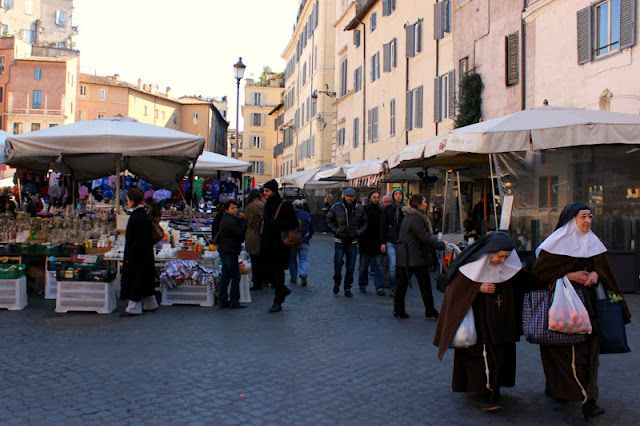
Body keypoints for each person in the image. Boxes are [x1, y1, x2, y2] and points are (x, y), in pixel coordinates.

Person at [534, 202, 631, 419]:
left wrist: (596, 275)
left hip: (590, 305)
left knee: (590, 353)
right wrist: (569, 276)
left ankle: (589, 399)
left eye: (590, 216)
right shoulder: (554, 245)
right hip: (562, 307)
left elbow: (603, 270)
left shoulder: (593, 243)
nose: (588, 221)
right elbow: (540, 275)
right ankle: (562, 389)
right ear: (571, 220)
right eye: (583, 216)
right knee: (566, 354)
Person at [433, 231, 536, 411]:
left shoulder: (510, 266)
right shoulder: (471, 267)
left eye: (506, 257)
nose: (503, 260)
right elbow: (453, 288)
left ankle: (494, 391)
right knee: (482, 356)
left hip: (502, 321)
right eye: (500, 256)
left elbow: (526, 281)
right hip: (479, 320)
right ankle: (487, 392)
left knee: (500, 356)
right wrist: (477, 287)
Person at [394, 194, 445, 318]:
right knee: (423, 285)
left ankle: (399, 310)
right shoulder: (415, 218)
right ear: (419, 203)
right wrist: (440, 245)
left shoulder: (411, 216)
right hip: (414, 256)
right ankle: (429, 310)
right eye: (425, 202)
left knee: (404, 284)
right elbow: (424, 236)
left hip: (409, 255)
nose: (426, 204)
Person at [261, 179, 298, 313]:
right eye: (264, 191)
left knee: (278, 272)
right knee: (266, 270)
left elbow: (293, 223)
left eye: (267, 190)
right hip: (267, 242)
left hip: (280, 244)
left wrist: (275, 223)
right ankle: (282, 289)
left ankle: (278, 301)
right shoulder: (267, 204)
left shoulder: (285, 205)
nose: (265, 193)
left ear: (274, 191)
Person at [120, 188, 157, 316]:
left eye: (128, 200)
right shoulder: (143, 215)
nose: (127, 202)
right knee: (145, 280)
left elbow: (137, 239)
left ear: (133, 201)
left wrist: (131, 256)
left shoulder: (137, 216)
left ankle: (133, 307)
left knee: (136, 281)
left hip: (138, 255)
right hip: (145, 254)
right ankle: (151, 303)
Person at [325, 187, 367, 297]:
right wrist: (336, 230)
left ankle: (347, 287)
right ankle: (337, 282)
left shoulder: (359, 208)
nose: (349, 198)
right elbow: (328, 220)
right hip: (340, 239)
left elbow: (365, 223)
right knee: (338, 263)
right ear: (345, 196)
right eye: (348, 196)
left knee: (351, 265)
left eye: (351, 196)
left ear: (354, 197)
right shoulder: (336, 207)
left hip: (353, 240)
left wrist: (358, 232)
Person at [217, 199, 248, 309]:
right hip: (229, 250)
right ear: (227, 209)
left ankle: (223, 300)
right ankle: (234, 300)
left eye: (236, 208)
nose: (235, 210)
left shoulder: (228, 218)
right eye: (232, 208)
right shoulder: (229, 220)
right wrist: (244, 221)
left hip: (227, 249)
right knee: (235, 276)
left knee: (226, 275)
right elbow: (239, 232)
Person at [379, 187, 406, 297]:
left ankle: (398, 287)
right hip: (390, 240)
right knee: (392, 266)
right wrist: (382, 242)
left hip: (402, 241)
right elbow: (382, 226)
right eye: (396, 194)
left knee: (401, 266)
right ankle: (393, 287)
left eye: (400, 194)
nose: (398, 196)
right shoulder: (387, 209)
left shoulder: (406, 210)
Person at [358, 190, 385, 295]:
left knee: (378, 266)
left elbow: (382, 227)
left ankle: (379, 287)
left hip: (377, 241)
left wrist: (382, 242)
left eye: (378, 197)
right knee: (363, 266)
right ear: (369, 198)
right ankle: (362, 284)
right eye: (374, 197)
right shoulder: (363, 210)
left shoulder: (381, 210)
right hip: (365, 241)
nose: (376, 199)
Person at [244, 189, 267, 291]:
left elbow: (247, 222)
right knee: (263, 259)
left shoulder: (249, 207)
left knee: (255, 260)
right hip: (263, 235)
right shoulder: (263, 205)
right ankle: (264, 279)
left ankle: (257, 281)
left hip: (252, 235)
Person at [289, 199, 314, 286]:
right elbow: (311, 228)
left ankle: (293, 278)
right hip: (304, 240)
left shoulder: (291, 215)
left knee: (292, 260)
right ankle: (303, 273)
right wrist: (308, 238)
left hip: (293, 241)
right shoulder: (307, 215)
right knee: (304, 259)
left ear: (294, 206)